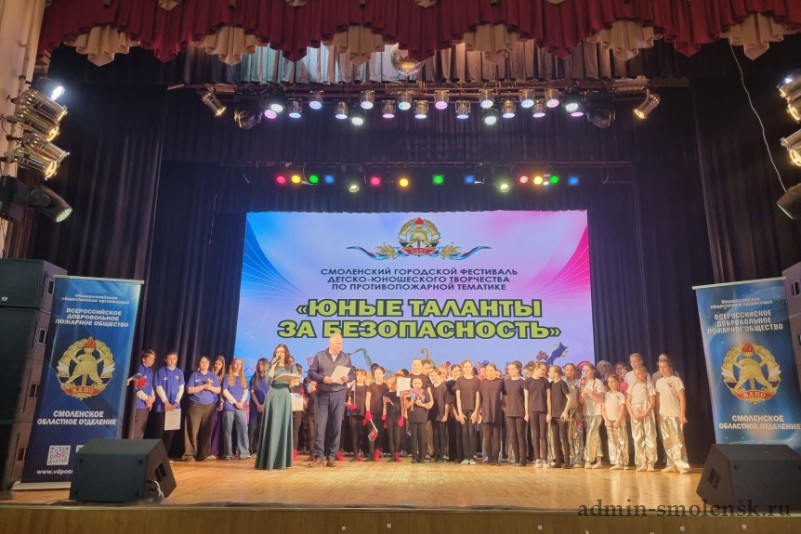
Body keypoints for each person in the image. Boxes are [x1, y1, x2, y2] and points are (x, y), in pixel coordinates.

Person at [307, 333, 356, 467]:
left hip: (339, 394)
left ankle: (332, 456)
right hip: (322, 394)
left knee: (336, 425)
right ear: (330, 343)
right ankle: (318, 456)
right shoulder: (319, 356)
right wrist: (322, 379)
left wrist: (348, 378)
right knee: (320, 425)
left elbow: (352, 375)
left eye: (341, 343)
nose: (340, 345)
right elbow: (311, 372)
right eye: (338, 343)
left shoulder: (346, 357)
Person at [255, 344, 299, 470]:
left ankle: (282, 460)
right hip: (273, 395)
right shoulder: (269, 365)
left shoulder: (291, 366)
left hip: (284, 395)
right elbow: (268, 381)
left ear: (286, 353)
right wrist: (273, 367)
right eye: (277, 351)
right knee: (272, 424)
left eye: (282, 351)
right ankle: (268, 460)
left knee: (282, 425)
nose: (279, 353)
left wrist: (293, 380)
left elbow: (292, 385)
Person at [655, 356, 690, 474]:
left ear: (670, 367)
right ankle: (671, 464)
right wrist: (658, 415)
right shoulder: (659, 382)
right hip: (663, 414)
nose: (662, 369)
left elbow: (682, 398)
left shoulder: (676, 380)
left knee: (678, 440)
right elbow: (658, 401)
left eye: (664, 367)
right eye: (660, 367)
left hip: (675, 414)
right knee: (667, 440)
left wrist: (682, 414)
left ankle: (682, 464)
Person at [183, 355, 221, 461]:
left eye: (206, 362)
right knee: (192, 430)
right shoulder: (194, 375)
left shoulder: (213, 376)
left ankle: (203, 455)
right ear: (199, 364)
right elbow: (189, 390)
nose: (204, 364)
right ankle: (189, 455)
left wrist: (210, 387)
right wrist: (204, 386)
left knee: (206, 431)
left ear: (209, 364)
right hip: (195, 405)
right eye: (202, 362)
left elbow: (218, 390)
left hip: (209, 406)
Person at [153, 350, 185, 458]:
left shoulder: (179, 372)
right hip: (162, 407)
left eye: (174, 359)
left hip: (175, 407)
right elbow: (158, 387)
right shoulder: (160, 371)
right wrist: (166, 402)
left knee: (169, 433)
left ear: (177, 359)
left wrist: (176, 402)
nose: (172, 361)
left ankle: (164, 457)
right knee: (159, 433)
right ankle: (156, 457)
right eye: (169, 359)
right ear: (165, 359)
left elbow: (181, 389)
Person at [627, 365, 657, 471]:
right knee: (637, 437)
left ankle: (651, 463)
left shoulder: (649, 386)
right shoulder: (632, 386)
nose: (637, 376)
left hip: (646, 409)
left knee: (650, 436)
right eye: (635, 374)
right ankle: (642, 462)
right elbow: (628, 401)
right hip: (635, 410)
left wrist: (645, 413)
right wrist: (632, 414)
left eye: (639, 373)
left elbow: (652, 402)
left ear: (645, 374)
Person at [222, 357, 251, 460]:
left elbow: (246, 392)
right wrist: (235, 402)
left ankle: (244, 452)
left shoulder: (243, 378)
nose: (238, 366)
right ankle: (228, 454)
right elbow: (225, 391)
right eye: (236, 363)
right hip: (229, 407)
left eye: (240, 364)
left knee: (243, 429)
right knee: (228, 430)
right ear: (232, 365)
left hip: (241, 407)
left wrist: (241, 402)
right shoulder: (227, 377)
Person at [476, 363, 504, 465]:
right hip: (486, 411)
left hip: (497, 412)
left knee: (496, 436)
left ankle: (496, 459)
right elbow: (479, 398)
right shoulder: (482, 383)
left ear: (495, 371)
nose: (489, 372)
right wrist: (479, 412)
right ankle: (490, 459)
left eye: (491, 370)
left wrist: (503, 406)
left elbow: (505, 395)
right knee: (487, 437)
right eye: (487, 370)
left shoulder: (500, 382)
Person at [580, 363, 606, 469]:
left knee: (590, 435)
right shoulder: (583, 383)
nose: (585, 372)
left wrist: (592, 393)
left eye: (587, 370)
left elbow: (601, 399)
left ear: (593, 371)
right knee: (595, 436)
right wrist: (582, 396)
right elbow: (581, 401)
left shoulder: (598, 382)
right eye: (584, 371)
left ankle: (588, 460)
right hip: (587, 413)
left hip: (596, 413)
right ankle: (599, 461)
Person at [526, 361, 551, 467]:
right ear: (536, 369)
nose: (544, 372)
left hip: (543, 410)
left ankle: (544, 459)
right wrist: (526, 413)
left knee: (543, 434)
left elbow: (548, 398)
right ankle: (537, 459)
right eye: (542, 370)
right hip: (532, 410)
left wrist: (549, 413)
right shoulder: (528, 381)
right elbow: (526, 398)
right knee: (535, 434)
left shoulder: (545, 381)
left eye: (545, 370)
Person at [502, 360, 528, 467]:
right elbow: (504, 397)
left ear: (518, 369)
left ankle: (523, 460)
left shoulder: (523, 381)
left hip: (520, 412)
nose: (511, 371)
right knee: (512, 435)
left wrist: (526, 413)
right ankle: (516, 459)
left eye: (513, 369)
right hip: (510, 412)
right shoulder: (506, 382)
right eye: (509, 369)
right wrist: (505, 408)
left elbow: (526, 398)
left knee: (520, 435)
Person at [455, 359, 479, 465]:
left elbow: (478, 397)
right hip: (463, 410)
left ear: (471, 368)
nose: (468, 369)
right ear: (463, 368)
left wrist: (476, 412)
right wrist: (460, 412)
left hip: (473, 410)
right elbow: (458, 398)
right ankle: (466, 457)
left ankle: (472, 457)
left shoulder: (476, 380)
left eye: (469, 366)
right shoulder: (460, 380)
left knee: (471, 432)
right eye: (466, 367)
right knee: (464, 433)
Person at [548, 365, 573, 469]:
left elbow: (570, 398)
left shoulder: (562, 383)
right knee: (555, 438)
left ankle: (567, 462)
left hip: (561, 415)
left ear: (556, 373)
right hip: (553, 415)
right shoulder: (551, 384)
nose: (549, 373)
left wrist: (565, 412)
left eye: (550, 371)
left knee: (564, 437)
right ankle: (558, 460)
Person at [602, 375, 628, 470]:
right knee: (612, 442)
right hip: (609, 421)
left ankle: (624, 462)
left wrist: (618, 421)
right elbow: (603, 409)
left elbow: (622, 409)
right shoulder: (606, 395)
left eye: (613, 381)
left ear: (617, 383)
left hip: (619, 421)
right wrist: (606, 420)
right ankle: (616, 461)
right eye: (609, 382)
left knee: (622, 441)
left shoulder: (620, 395)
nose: (611, 384)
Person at [404, 376, 433, 463]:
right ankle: (414, 457)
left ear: (421, 384)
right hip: (412, 417)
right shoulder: (408, 392)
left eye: (418, 383)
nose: (417, 385)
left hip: (422, 418)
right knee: (413, 437)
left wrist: (422, 405)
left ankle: (422, 457)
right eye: (415, 383)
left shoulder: (424, 392)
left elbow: (429, 405)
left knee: (422, 437)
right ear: (412, 384)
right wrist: (412, 402)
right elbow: (406, 406)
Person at [130, 349, 156, 439]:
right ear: (143, 359)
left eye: (154, 359)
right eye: (151, 359)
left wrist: (152, 399)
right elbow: (136, 388)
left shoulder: (150, 372)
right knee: (136, 432)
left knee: (141, 433)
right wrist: (146, 398)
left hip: (146, 405)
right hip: (139, 405)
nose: (153, 361)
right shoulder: (139, 369)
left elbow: (150, 387)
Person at [365, 365, 388, 461]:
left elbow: (387, 400)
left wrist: (385, 413)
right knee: (372, 433)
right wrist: (367, 411)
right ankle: (371, 454)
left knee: (380, 433)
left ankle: (377, 453)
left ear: (383, 374)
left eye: (379, 373)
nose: (377, 375)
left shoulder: (386, 386)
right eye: (376, 374)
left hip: (382, 413)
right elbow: (367, 399)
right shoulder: (371, 386)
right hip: (372, 413)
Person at [248, 358, 269, 455]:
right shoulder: (254, 378)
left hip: (266, 407)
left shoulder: (269, 378)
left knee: (261, 428)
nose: (260, 366)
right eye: (259, 364)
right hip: (255, 407)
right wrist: (258, 405)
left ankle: (257, 450)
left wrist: (264, 405)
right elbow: (252, 393)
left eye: (262, 364)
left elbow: (271, 393)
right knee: (252, 428)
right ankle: (249, 450)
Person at [346, 369, 369, 461]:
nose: (359, 377)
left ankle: (360, 450)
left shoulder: (367, 387)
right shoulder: (353, 386)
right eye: (358, 375)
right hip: (353, 413)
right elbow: (349, 399)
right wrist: (349, 404)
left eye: (361, 375)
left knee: (361, 433)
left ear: (365, 377)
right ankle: (355, 454)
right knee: (354, 433)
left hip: (363, 413)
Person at [382, 375, 404, 462]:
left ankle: (396, 455)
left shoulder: (399, 393)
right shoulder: (385, 394)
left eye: (393, 383)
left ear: (396, 384)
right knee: (390, 436)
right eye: (390, 383)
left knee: (397, 436)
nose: (391, 385)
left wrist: (402, 416)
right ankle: (392, 456)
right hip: (389, 417)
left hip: (397, 416)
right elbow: (384, 406)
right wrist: (384, 415)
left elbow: (402, 405)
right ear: (388, 384)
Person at [208, 356, 226, 459]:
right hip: (207, 401)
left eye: (219, 364)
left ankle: (213, 451)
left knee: (215, 427)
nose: (217, 366)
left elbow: (222, 391)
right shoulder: (208, 374)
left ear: (222, 366)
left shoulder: (223, 377)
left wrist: (221, 402)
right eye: (216, 363)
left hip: (216, 402)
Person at [429, 368, 449, 462]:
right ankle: (436, 455)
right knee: (435, 435)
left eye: (435, 375)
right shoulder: (431, 387)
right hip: (433, 413)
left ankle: (442, 455)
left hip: (441, 414)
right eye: (432, 376)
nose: (433, 377)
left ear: (439, 376)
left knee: (442, 435)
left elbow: (447, 402)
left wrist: (445, 415)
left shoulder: (444, 387)